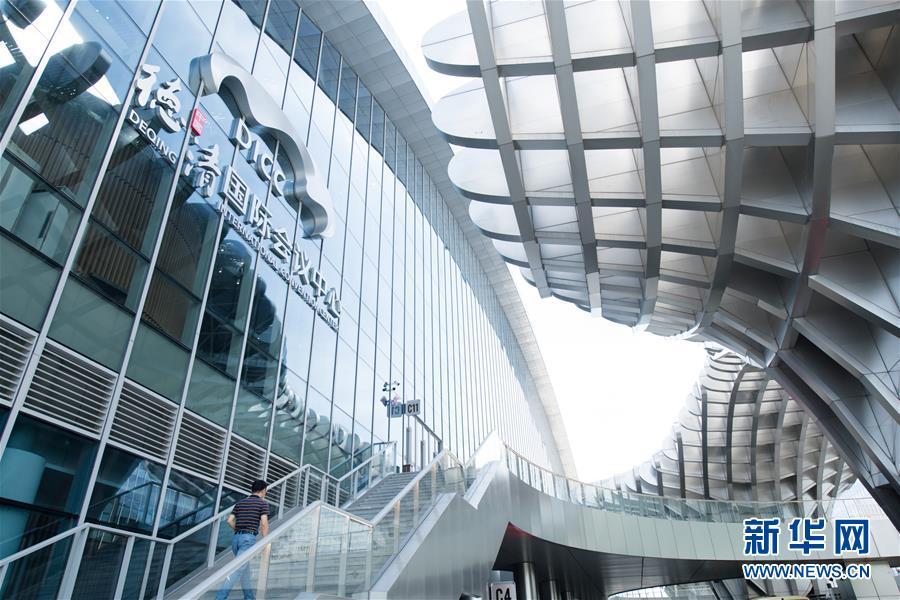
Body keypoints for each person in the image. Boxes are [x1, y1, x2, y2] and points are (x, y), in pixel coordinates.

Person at [215, 480, 270, 600]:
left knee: (244, 570)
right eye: (266, 490)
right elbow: (264, 523)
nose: (266, 493)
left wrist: (238, 530)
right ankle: (220, 597)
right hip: (248, 539)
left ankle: (249, 597)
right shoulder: (262, 504)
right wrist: (266, 541)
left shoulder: (240, 503)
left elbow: (229, 520)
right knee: (238, 569)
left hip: (236, 539)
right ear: (263, 490)